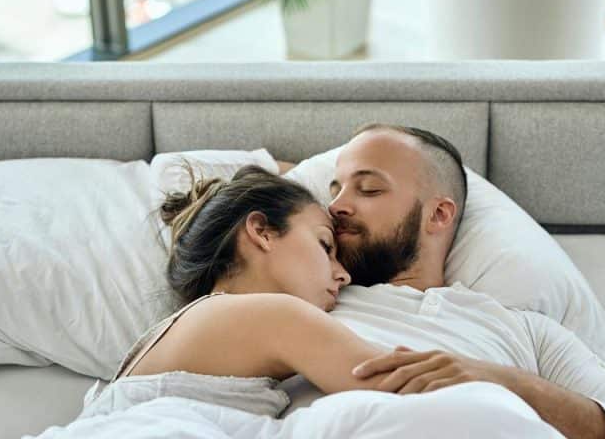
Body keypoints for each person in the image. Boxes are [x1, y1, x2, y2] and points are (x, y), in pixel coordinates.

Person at [63, 165, 560, 438]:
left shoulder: (190, 327)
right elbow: (400, 383)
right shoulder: (271, 314)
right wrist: (504, 379)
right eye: (325, 245)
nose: (342, 274)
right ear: (259, 231)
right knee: (480, 409)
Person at [290, 123, 605, 439]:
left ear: (439, 216)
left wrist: (498, 380)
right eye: (335, 189)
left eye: (369, 188)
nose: (337, 206)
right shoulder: (303, 296)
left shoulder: (527, 331)